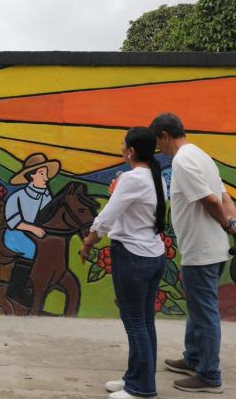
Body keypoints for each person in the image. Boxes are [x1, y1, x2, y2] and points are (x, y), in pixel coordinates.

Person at [149, 113, 236, 394]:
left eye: (159, 144)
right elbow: (225, 197)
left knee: (205, 313)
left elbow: (210, 200)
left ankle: (209, 375)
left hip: (201, 250)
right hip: (214, 248)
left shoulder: (182, 160)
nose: (160, 150)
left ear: (165, 136)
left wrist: (229, 226)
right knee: (198, 306)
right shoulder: (201, 155)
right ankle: (192, 358)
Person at [79, 127, 167, 399]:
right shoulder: (156, 177)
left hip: (132, 256)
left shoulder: (132, 179)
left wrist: (89, 241)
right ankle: (135, 379)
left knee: (135, 323)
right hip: (153, 254)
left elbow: (106, 216)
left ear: (130, 151)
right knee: (144, 322)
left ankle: (142, 389)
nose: (120, 146)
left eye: (123, 143)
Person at [3, 153, 60, 307]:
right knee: (32, 249)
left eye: (46, 174)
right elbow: (13, 221)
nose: (46, 178)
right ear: (31, 175)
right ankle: (15, 289)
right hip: (15, 234)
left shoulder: (47, 197)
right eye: (42, 174)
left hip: (36, 234)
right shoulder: (17, 197)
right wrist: (32, 229)